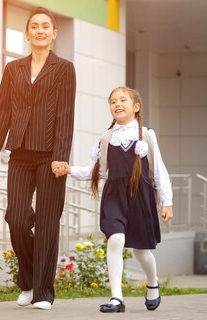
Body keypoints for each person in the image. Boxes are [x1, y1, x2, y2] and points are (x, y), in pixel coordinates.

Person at [0, 7, 76, 310]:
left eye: (46, 26)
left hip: (50, 157)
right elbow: (2, 112)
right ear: (27, 33)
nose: (40, 30)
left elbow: (65, 116)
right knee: (17, 218)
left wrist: (62, 157)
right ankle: (28, 280)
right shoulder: (13, 69)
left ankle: (43, 292)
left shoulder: (64, 68)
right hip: (19, 152)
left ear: (54, 33)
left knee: (47, 223)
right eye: (34, 26)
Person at [51, 86, 173, 313]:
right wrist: (69, 169)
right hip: (114, 197)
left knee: (141, 252)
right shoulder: (107, 138)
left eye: (122, 100)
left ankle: (153, 282)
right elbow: (98, 171)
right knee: (115, 239)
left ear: (135, 107)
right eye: (113, 101)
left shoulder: (147, 135)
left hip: (140, 196)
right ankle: (116, 297)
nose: (117, 104)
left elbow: (158, 171)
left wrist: (167, 201)